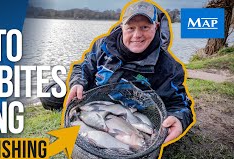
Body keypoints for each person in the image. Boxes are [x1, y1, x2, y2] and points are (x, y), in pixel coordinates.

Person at [64, 1, 193, 143]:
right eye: (131, 28)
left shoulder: (170, 68)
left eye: (145, 27)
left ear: (155, 27)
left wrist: (179, 119)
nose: (137, 35)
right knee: (51, 95)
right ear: (122, 27)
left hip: (132, 114)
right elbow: (84, 66)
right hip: (95, 102)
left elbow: (180, 105)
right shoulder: (102, 45)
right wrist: (78, 82)